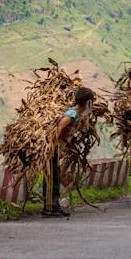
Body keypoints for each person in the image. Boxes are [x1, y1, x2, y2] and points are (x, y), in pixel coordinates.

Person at [42, 87, 96, 217]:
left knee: (56, 176)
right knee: (51, 178)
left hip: (57, 148)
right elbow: (60, 125)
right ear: (88, 102)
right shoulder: (72, 114)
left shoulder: (77, 114)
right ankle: (49, 208)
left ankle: (54, 206)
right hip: (52, 148)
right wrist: (52, 146)